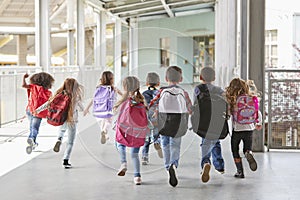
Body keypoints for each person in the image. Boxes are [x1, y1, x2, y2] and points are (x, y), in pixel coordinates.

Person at [149, 66, 192, 187]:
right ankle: (174, 164)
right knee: (175, 145)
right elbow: (190, 108)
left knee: (165, 144)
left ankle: (168, 167)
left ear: (166, 78)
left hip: (164, 120)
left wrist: (153, 113)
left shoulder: (161, 91)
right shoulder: (183, 92)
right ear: (181, 78)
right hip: (178, 122)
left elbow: (152, 104)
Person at [36, 78, 84, 169]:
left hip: (61, 119)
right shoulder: (76, 97)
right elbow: (82, 109)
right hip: (72, 121)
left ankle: (59, 139)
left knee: (62, 130)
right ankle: (65, 161)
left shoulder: (59, 94)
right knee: (70, 142)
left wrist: (38, 110)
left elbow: (48, 103)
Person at [193, 67, 225, 183]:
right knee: (216, 142)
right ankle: (220, 166)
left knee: (205, 142)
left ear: (201, 77)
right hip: (217, 122)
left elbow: (195, 104)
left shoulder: (198, 89)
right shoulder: (219, 90)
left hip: (204, 122)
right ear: (214, 78)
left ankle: (206, 162)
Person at [225, 78, 262, 178]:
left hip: (237, 129)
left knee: (235, 150)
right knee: (247, 147)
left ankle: (240, 172)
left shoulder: (233, 100)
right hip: (249, 128)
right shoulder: (251, 98)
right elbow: (257, 112)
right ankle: (248, 153)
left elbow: (228, 114)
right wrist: (259, 122)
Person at [114, 76, 148, 185]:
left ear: (124, 87)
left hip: (125, 130)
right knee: (134, 154)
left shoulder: (124, 101)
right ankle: (137, 177)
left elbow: (115, 112)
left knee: (119, 143)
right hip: (138, 132)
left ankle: (123, 163)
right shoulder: (141, 100)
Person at [83, 71, 122, 144]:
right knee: (108, 122)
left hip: (98, 110)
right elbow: (123, 96)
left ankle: (105, 135)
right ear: (111, 79)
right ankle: (104, 131)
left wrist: (87, 108)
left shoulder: (98, 88)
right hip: (109, 110)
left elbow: (93, 99)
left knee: (102, 122)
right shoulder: (114, 88)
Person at [22, 72, 55, 154]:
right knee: (35, 128)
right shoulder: (48, 93)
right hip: (38, 113)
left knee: (32, 127)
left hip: (29, 110)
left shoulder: (33, 87)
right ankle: (32, 138)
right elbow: (49, 104)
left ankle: (33, 142)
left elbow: (23, 85)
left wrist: (23, 77)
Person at [141, 72, 163, 165]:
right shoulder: (160, 93)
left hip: (147, 119)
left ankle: (144, 158)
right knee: (157, 134)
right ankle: (157, 141)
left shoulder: (143, 94)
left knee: (146, 139)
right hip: (157, 118)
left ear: (147, 83)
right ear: (158, 83)